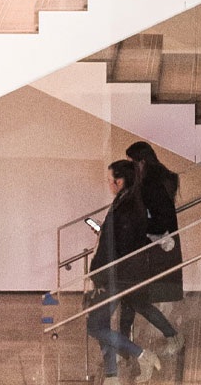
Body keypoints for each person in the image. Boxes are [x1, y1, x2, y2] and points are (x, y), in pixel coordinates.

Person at [87, 160, 164, 384]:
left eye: (110, 180)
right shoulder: (129, 202)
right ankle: (112, 376)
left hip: (115, 275)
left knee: (95, 325)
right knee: (100, 323)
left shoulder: (126, 207)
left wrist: (98, 275)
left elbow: (116, 247)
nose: (109, 184)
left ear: (120, 181)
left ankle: (142, 355)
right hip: (121, 274)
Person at [118, 142, 184, 355]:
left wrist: (134, 225)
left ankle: (170, 335)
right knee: (130, 297)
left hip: (147, 249)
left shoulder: (151, 185)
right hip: (147, 248)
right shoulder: (155, 181)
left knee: (134, 298)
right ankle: (124, 346)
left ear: (142, 162)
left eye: (132, 162)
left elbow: (160, 220)